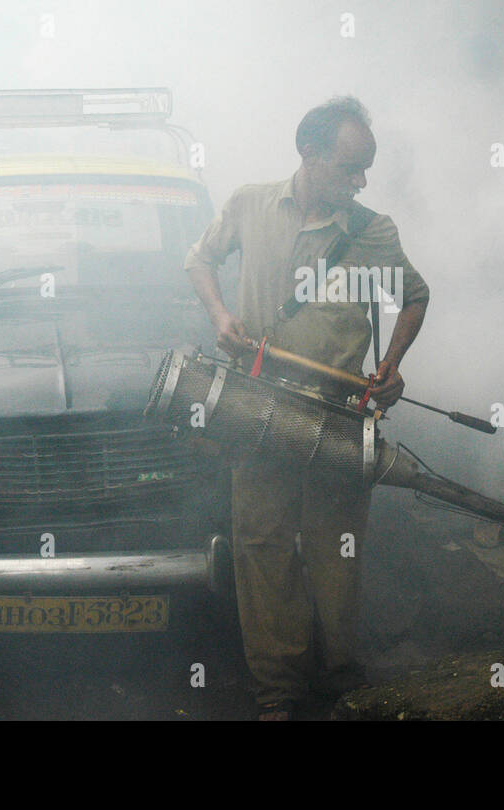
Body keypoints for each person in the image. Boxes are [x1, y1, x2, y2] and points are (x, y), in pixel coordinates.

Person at [185, 96, 429, 719]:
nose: (361, 182)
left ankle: (338, 673)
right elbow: (199, 258)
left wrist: (391, 365)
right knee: (263, 544)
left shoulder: (373, 231)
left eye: (367, 169)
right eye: (351, 167)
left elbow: (414, 297)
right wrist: (221, 317)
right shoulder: (248, 204)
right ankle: (278, 691)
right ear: (309, 152)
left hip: (339, 418)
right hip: (255, 409)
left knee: (335, 549)